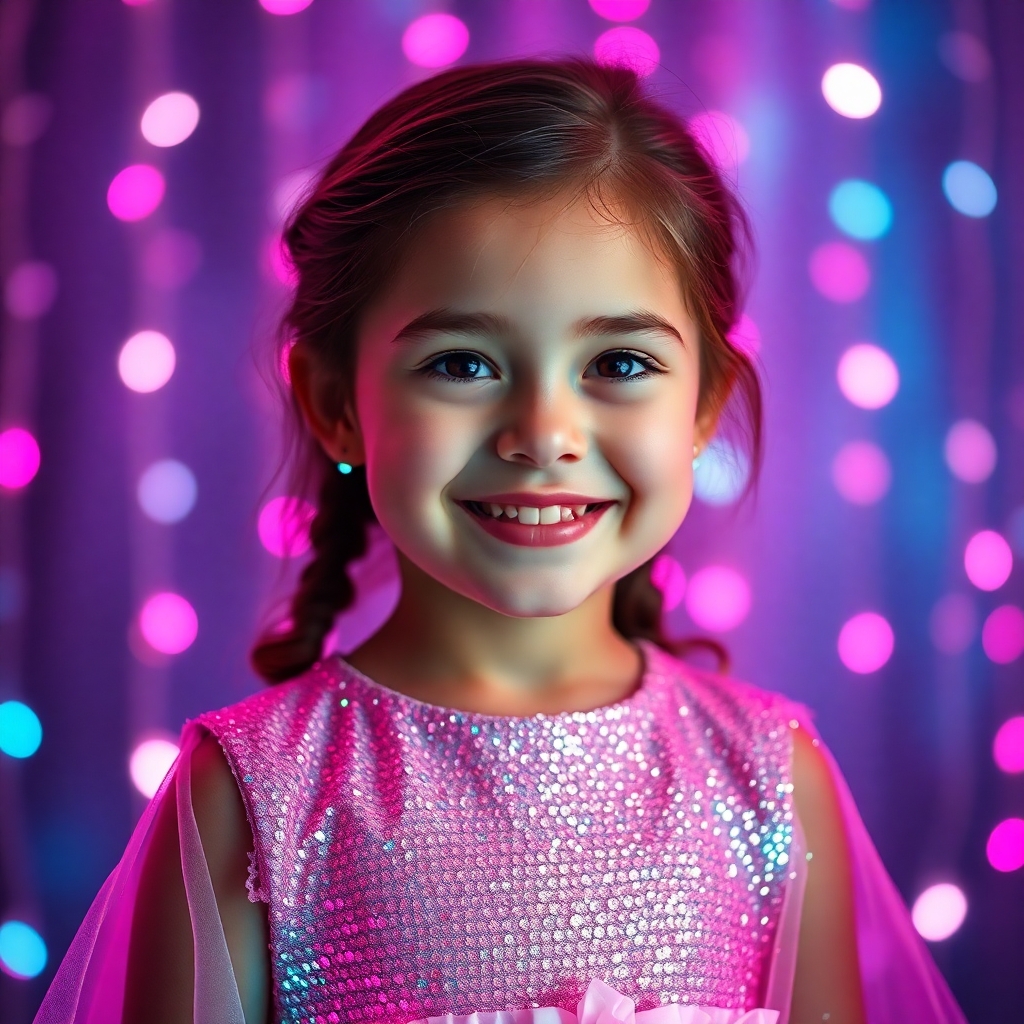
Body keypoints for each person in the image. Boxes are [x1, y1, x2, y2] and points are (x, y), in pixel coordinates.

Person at [35, 58, 966, 1024]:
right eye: (464, 362)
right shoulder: (255, 795)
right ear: (334, 404)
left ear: (703, 408)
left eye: (617, 361)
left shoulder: (772, 779)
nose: (544, 432)